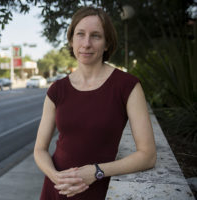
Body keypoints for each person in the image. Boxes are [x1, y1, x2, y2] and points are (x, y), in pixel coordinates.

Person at [34, 6, 156, 200]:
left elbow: (148, 155)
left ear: (107, 43)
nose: (86, 43)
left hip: (99, 189)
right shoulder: (56, 90)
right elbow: (40, 149)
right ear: (71, 40)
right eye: (80, 34)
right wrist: (55, 176)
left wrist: (96, 171)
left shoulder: (128, 86)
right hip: (57, 188)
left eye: (96, 36)